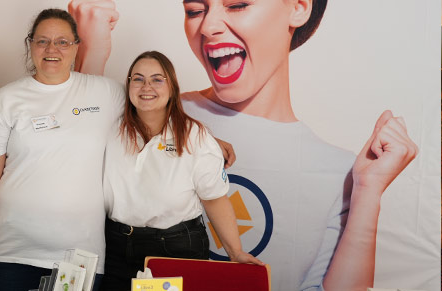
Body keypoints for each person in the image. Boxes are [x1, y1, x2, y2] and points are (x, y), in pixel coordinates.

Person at [70, 0, 418, 290]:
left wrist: (368, 192)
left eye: (237, 4)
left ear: (299, 6)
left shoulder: (341, 172)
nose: (208, 27)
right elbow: (81, 137)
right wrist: (90, 52)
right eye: (194, 10)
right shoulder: (151, 110)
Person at [0, 8, 125, 291]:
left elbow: (155, 115)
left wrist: (208, 139)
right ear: (31, 45)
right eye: (42, 41)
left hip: (79, 257)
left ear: (77, 46)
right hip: (11, 253)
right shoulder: (7, 99)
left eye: (62, 41)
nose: (52, 49)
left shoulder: (107, 94)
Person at [101, 51, 263, 290]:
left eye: (157, 79)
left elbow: (215, 200)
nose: (146, 86)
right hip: (117, 248)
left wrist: (235, 251)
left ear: (172, 87)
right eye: (138, 78)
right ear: (128, 84)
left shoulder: (195, 138)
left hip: (175, 247)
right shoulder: (110, 128)